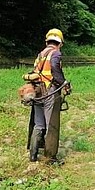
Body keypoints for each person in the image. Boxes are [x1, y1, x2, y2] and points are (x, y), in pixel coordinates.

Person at [26, 28, 70, 162]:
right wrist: (65, 84)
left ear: (47, 41)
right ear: (60, 42)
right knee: (52, 124)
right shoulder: (55, 54)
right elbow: (56, 71)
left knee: (39, 123)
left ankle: (33, 155)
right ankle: (50, 157)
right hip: (50, 92)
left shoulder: (41, 54)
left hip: (38, 91)